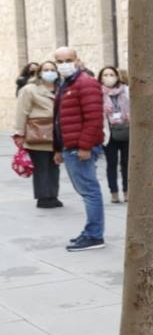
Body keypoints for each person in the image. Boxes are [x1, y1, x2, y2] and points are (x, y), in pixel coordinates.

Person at [52, 47, 107, 252]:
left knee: (89, 192)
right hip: (70, 147)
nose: (64, 64)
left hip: (80, 148)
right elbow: (59, 120)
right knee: (86, 191)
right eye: (59, 61)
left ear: (77, 60)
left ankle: (94, 235)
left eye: (68, 59)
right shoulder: (66, 84)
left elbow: (93, 119)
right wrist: (58, 148)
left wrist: (84, 147)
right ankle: (91, 232)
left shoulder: (86, 83)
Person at [12, 59, 61, 208]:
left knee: (55, 165)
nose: (49, 72)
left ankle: (53, 195)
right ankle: (43, 197)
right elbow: (22, 111)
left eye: (52, 69)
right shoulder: (29, 89)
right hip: (38, 133)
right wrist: (19, 133)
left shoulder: (61, 88)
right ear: (39, 73)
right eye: (46, 70)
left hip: (57, 134)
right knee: (41, 166)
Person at [99, 66, 130, 203]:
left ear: (117, 76)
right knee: (111, 163)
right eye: (105, 75)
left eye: (111, 74)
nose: (108, 77)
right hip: (108, 132)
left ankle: (127, 190)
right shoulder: (97, 93)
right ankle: (114, 191)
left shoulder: (127, 90)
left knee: (126, 163)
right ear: (100, 77)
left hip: (126, 129)